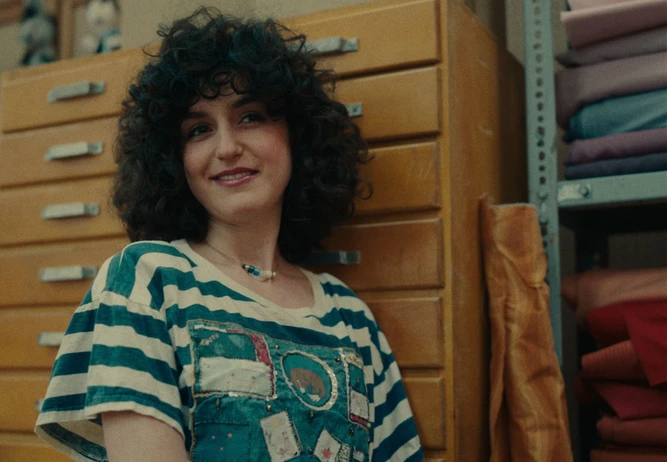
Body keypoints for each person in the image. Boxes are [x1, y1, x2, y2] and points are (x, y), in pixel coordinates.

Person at [35, 7, 423, 462]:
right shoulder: (146, 280)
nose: (226, 148)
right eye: (199, 129)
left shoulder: (351, 316)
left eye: (250, 117)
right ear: (173, 159)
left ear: (296, 135)